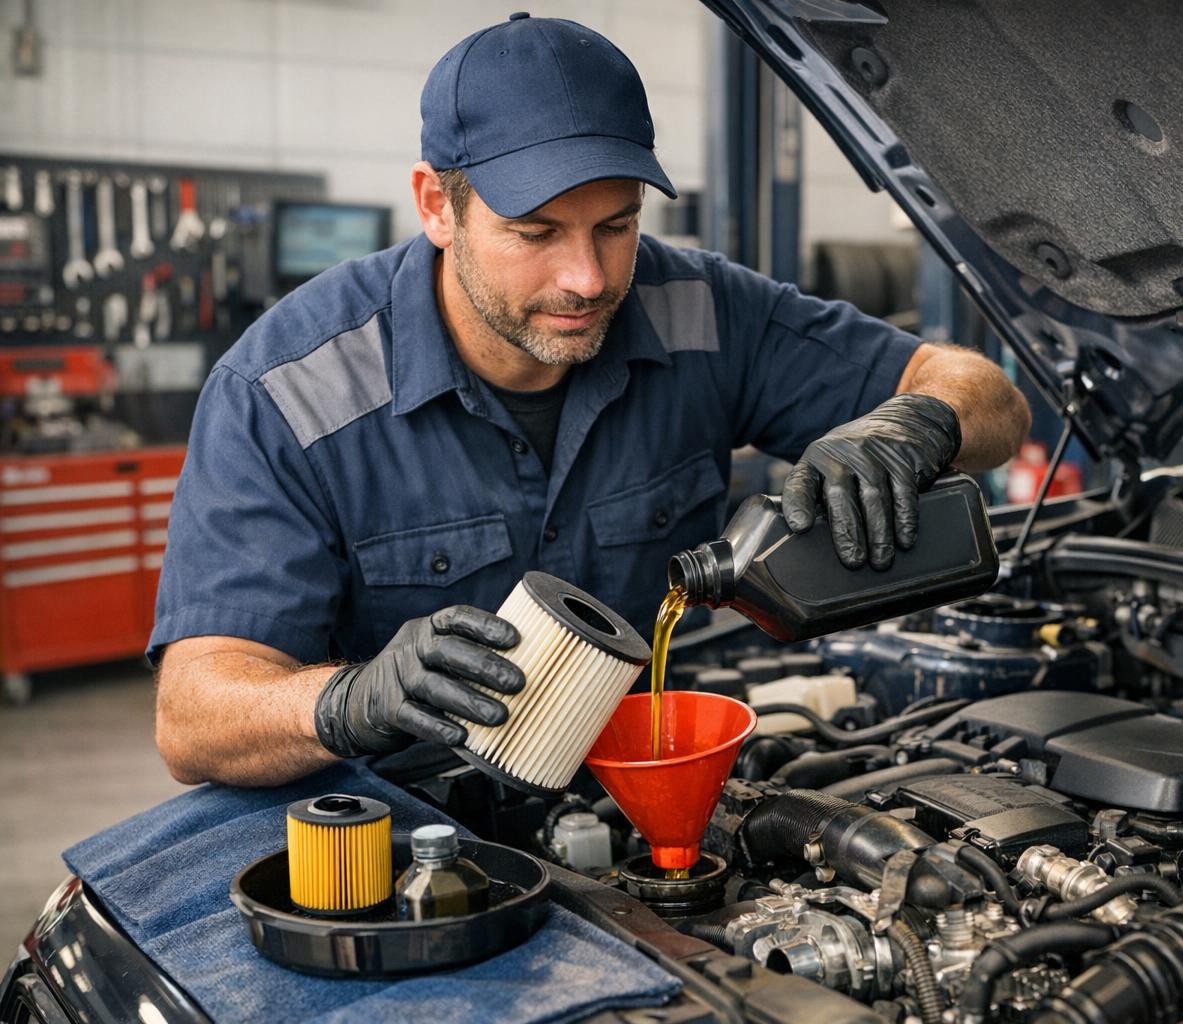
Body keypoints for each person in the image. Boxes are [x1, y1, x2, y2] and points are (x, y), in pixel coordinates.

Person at [152, 14, 1030, 787]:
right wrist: (348, 700)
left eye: (616, 225)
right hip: (402, 839)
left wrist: (915, 423)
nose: (587, 277)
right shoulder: (286, 390)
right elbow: (193, 718)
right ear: (437, 206)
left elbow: (990, 398)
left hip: (639, 794)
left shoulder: (696, 308)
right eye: (535, 234)